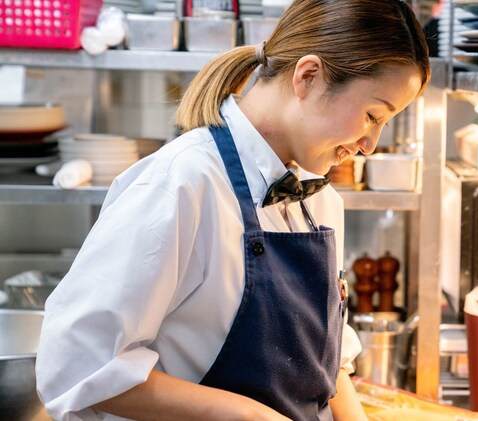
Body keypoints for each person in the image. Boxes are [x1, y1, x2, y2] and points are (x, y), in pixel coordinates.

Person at [35, 0, 431, 419]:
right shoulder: (181, 184)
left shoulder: (319, 201)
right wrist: (252, 415)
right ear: (308, 76)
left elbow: (329, 368)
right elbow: (79, 366)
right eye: (372, 115)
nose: (371, 144)